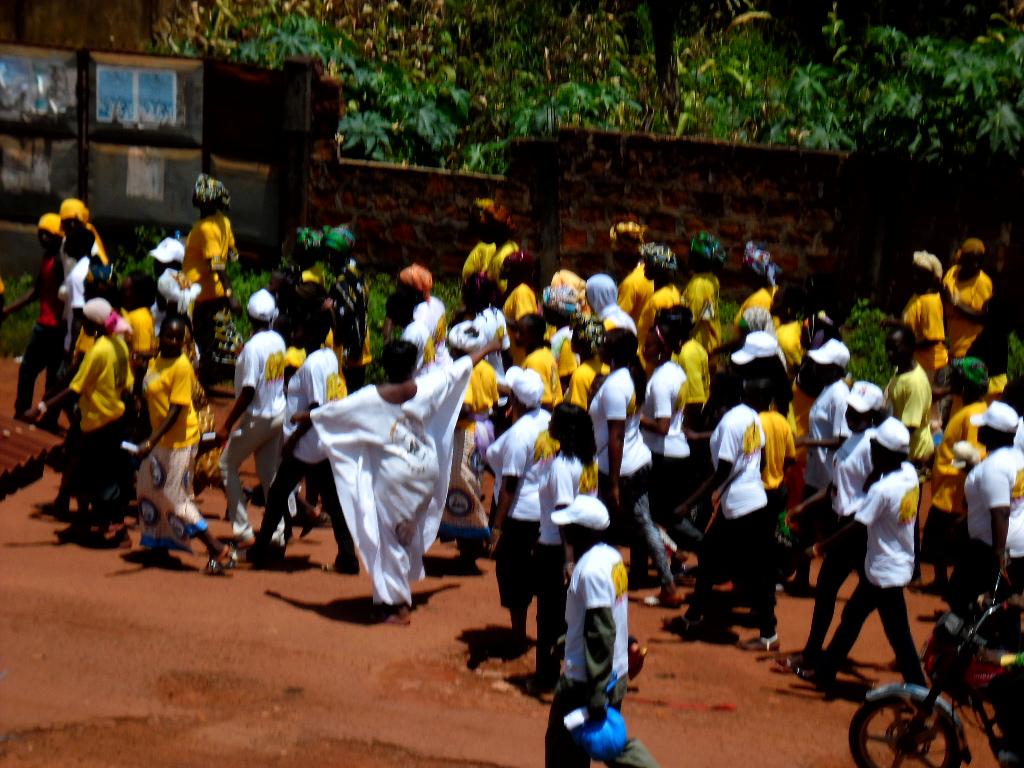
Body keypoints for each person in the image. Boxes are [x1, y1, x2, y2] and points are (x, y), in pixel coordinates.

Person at [313, 337, 502, 623]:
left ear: (383, 364)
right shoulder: (427, 386)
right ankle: (387, 597)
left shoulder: (367, 397)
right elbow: (461, 367)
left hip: (395, 477)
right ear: (414, 365)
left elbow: (328, 414)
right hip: (425, 470)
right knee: (402, 534)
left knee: (392, 538)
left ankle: (398, 606)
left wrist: (303, 417)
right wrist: (489, 347)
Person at [797, 418, 928, 689]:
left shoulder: (883, 490)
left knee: (899, 637)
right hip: (892, 564)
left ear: (886, 453)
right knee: (853, 617)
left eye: (875, 447)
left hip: (884, 571)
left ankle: (921, 692)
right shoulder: (908, 474)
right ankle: (825, 671)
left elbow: (856, 529)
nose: (871, 450)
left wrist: (819, 548)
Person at [774, 381, 886, 673]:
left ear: (873, 416)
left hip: (858, 528)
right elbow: (836, 487)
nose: (851, 415)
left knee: (863, 596)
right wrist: (802, 507)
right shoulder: (853, 439)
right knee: (834, 591)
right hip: (844, 524)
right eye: (850, 408)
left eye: (859, 412)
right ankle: (815, 654)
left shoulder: (873, 446)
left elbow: (873, 491)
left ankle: (818, 657)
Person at [545, 495, 660, 768]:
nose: (564, 529)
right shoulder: (611, 558)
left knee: (564, 751)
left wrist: (596, 692)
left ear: (581, 530)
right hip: (613, 673)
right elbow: (609, 618)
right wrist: (568, 639)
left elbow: (601, 630)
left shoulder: (590, 571)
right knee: (607, 743)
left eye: (569, 524)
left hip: (585, 681)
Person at [249, 301, 357, 573]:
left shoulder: (312, 365)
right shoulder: (329, 356)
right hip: (322, 443)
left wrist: (293, 440)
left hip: (308, 445)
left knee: (276, 495)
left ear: (309, 334)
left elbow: (316, 407)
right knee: (332, 502)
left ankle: (259, 550)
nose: (294, 334)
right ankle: (348, 557)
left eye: (298, 330)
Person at [672, 376, 777, 651]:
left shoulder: (731, 422)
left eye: (713, 390)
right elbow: (761, 459)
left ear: (722, 394)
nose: (709, 394)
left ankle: (769, 635)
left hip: (741, 506)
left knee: (751, 572)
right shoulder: (751, 417)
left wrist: (690, 503)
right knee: (709, 555)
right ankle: (693, 616)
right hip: (751, 499)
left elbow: (723, 471)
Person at [23, 299, 134, 543]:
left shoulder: (98, 351)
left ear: (93, 324)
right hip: (112, 421)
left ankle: (119, 530)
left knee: (101, 479)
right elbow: (126, 386)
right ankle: (83, 523)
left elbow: (75, 388)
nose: (82, 324)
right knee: (83, 472)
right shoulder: (120, 346)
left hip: (99, 424)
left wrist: (40, 408)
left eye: (85, 320)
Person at [135, 317, 236, 572]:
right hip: (161, 437)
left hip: (180, 440)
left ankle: (215, 547)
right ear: (160, 337)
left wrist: (150, 440)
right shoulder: (157, 360)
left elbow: (177, 409)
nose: (173, 342)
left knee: (173, 496)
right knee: (148, 488)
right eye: (168, 336)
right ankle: (159, 545)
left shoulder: (182, 367)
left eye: (179, 338)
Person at [591, 328, 681, 607]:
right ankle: (666, 582)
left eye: (605, 344)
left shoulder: (617, 386)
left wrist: (615, 483)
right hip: (633, 460)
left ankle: (666, 583)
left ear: (614, 353)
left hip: (620, 468)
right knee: (639, 523)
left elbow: (616, 435)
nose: (600, 347)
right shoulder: (629, 377)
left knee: (616, 523)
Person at [486, 367, 552, 649]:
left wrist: (497, 527)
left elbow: (510, 486)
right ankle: (549, 634)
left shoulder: (520, 434)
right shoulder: (549, 420)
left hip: (519, 515)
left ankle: (518, 636)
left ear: (517, 399)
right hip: (547, 512)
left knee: (514, 576)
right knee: (544, 575)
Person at [217, 289, 288, 550]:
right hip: (278, 413)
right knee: (269, 475)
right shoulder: (278, 340)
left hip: (258, 418)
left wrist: (226, 425)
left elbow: (248, 391)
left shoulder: (252, 348)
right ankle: (278, 534)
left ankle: (244, 533)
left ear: (249, 316)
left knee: (227, 465)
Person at [534, 403, 598, 691]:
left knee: (549, 616)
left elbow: (563, 517)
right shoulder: (588, 461)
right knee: (579, 614)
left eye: (554, 420)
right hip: (586, 546)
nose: (549, 423)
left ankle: (546, 677)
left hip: (556, 550)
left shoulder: (561, 466)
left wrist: (567, 561)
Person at [946, 402, 1024, 625]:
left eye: (983, 427)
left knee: (960, 597)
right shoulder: (1018, 459)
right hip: (1016, 546)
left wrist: (999, 558)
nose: (978, 430)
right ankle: (1002, 650)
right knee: (1006, 607)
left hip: (992, 548)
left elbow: (1000, 512)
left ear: (993, 433)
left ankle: (976, 647)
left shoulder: (993, 467)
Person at [919, 358, 989, 595]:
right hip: (947, 487)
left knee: (945, 538)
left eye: (956, 378)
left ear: (965, 384)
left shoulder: (974, 415)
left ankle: (950, 584)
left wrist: (950, 464)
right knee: (939, 538)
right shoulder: (965, 408)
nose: (952, 381)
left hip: (955, 490)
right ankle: (941, 582)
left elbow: (973, 454)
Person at [790, 339, 852, 592]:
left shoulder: (839, 395)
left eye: (823, 365)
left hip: (829, 476)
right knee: (806, 526)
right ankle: (802, 580)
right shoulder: (827, 390)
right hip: (817, 473)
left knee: (830, 531)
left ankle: (830, 582)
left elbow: (842, 437)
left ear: (836, 369)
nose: (816, 368)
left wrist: (808, 440)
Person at [640, 308, 701, 558]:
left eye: (650, 345)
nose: (645, 349)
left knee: (661, 514)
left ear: (663, 349)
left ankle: (704, 549)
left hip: (663, 456)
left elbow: (663, 427)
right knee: (662, 513)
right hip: (676, 453)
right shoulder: (676, 372)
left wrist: (634, 416)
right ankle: (676, 553)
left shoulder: (662, 380)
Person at [439, 320, 500, 548]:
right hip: (484, 431)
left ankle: (473, 534)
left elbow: (465, 407)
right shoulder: (487, 369)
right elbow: (493, 401)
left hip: (466, 433)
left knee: (461, 484)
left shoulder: (466, 370)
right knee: (473, 481)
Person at [182, 173, 243, 384]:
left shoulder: (206, 227)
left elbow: (217, 263)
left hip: (199, 294)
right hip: (213, 290)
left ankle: (245, 373)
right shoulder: (223, 221)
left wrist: (229, 294)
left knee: (213, 337)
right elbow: (232, 253)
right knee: (208, 338)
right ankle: (209, 378)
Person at [885, 324, 934, 584]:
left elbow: (910, 426)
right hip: (902, 454)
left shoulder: (915, 382)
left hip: (913, 456)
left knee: (909, 513)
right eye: (888, 349)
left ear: (911, 347)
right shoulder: (901, 373)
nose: (890, 353)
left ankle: (913, 570)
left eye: (895, 348)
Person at [10, 214, 66, 431]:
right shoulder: (48, 257)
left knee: (31, 370)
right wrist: (9, 309)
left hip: (51, 327)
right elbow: (37, 291)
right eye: (40, 233)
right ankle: (44, 418)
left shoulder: (60, 262)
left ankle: (26, 413)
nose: (43, 237)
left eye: (48, 234)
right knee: (49, 374)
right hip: (49, 325)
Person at [901, 251, 948, 400]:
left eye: (920, 275)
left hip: (929, 365)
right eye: (913, 273)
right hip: (915, 360)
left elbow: (933, 338)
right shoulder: (917, 297)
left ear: (931, 279)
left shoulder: (930, 302)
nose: (914, 278)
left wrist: (907, 346)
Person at [943, 238, 992, 361]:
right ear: (962, 258)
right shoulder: (952, 274)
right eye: (971, 261)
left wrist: (954, 302)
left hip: (972, 351)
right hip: (952, 348)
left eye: (979, 261)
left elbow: (982, 317)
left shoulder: (982, 282)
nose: (976, 265)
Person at [634, 243, 681, 356]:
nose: (644, 267)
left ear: (657, 269)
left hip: (648, 358)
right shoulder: (673, 291)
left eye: (648, 264)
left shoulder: (658, 300)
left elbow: (657, 334)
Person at [682, 232, 725, 355]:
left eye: (692, 254)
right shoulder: (712, 279)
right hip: (711, 343)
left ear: (698, 259)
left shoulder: (698, 285)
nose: (688, 256)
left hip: (698, 346)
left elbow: (690, 319)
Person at [462, 199, 519, 290]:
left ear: (494, 231)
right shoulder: (507, 246)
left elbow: (503, 290)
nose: (481, 234)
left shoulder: (500, 257)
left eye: (484, 229)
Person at [401, 264, 449, 367]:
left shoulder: (415, 322)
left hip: (424, 374)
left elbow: (404, 362)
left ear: (413, 292)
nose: (398, 290)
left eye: (402, 287)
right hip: (444, 363)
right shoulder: (438, 303)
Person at [612, 217, 653, 327]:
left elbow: (617, 323)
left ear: (624, 254)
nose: (615, 262)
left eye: (616, 256)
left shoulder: (631, 283)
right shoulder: (653, 273)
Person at [516, 313, 563, 409]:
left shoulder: (535, 361)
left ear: (536, 334)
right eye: (516, 330)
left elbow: (545, 402)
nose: (517, 336)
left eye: (522, 333)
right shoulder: (545, 352)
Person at [502, 250, 540, 366]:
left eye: (507, 266)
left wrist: (499, 317)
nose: (501, 268)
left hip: (519, 358)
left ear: (518, 270)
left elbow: (527, 326)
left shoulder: (522, 292)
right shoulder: (513, 289)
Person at [541, 284, 582, 392]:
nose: (544, 310)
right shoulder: (555, 331)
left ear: (559, 313)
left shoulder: (566, 340)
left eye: (548, 308)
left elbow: (566, 378)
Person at [734, 242, 781, 330]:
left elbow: (749, 333)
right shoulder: (774, 291)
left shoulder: (759, 301)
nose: (742, 272)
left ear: (756, 275)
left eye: (746, 269)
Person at [567, 314, 606, 409]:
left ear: (580, 343)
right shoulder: (606, 365)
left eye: (574, 335)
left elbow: (578, 412)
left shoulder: (580, 375)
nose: (571, 338)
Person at [58, 198, 108, 265]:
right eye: (68, 221)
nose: (72, 225)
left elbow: (101, 265)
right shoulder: (64, 241)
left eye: (76, 221)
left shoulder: (87, 238)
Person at [773, 284, 806, 377]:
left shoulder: (785, 339)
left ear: (789, 309)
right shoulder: (798, 325)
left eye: (776, 302)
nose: (772, 304)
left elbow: (798, 369)